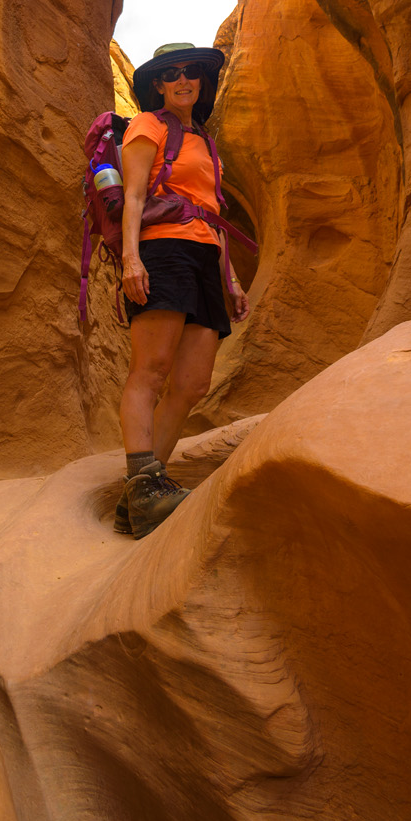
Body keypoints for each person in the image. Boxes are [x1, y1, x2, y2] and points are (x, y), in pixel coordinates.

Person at [116, 42, 249, 539]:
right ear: (158, 85)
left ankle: (138, 498)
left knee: (192, 384)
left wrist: (230, 280)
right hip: (163, 251)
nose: (182, 79)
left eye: (191, 71)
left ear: (201, 80)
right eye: (171, 74)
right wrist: (131, 259)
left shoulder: (205, 143)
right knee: (150, 371)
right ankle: (146, 486)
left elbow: (212, 215)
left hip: (204, 258)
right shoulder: (148, 126)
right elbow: (133, 196)